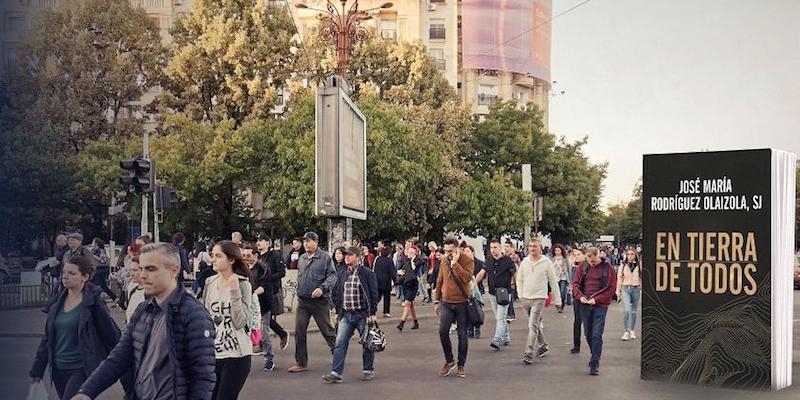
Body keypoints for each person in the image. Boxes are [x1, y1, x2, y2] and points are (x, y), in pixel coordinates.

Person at [30, 256, 130, 400]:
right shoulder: (57, 303)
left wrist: (123, 364)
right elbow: (47, 338)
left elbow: (111, 334)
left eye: (71, 273)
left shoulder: (93, 304)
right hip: (59, 369)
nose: (65, 276)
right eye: (64, 272)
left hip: (82, 367)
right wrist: (37, 370)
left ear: (85, 277)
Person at [203, 240, 253, 400]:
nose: (214, 259)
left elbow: (240, 322)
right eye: (213, 256)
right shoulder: (209, 283)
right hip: (212, 354)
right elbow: (205, 315)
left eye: (218, 256)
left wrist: (234, 291)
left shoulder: (243, 284)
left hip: (236, 355)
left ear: (231, 259)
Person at [324, 246, 380, 383]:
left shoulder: (366, 273)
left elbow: (374, 293)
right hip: (346, 315)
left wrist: (372, 313)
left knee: (367, 343)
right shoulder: (342, 273)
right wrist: (338, 312)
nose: (346, 257)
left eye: (350, 255)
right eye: (345, 255)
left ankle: (368, 370)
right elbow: (338, 293)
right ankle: (336, 372)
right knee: (339, 343)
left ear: (358, 257)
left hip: (362, 314)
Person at [288, 231, 337, 373]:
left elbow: (332, 276)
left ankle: (338, 353)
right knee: (299, 331)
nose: (306, 244)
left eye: (309, 241)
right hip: (303, 301)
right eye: (305, 241)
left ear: (316, 242)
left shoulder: (325, 258)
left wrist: (322, 288)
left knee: (327, 331)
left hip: (319, 302)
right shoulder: (302, 258)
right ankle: (301, 362)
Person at [572, 246, 617, 375]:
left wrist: (596, 300)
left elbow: (610, 289)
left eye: (594, 260)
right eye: (589, 260)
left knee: (597, 334)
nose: (591, 263)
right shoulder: (582, 266)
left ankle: (594, 363)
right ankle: (595, 354)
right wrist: (580, 297)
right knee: (588, 333)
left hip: (600, 305)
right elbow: (575, 284)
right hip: (585, 303)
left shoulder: (608, 269)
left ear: (599, 255)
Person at [434, 236, 474, 379]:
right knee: (443, 331)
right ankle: (449, 360)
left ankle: (461, 364)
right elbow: (440, 280)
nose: (448, 253)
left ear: (457, 249)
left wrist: (456, 264)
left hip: (462, 303)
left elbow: (467, 278)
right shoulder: (444, 260)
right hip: (446, 302)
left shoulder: (467, 260)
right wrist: (436, 301)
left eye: (451, 251)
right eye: (446, 251)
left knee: (462, 335)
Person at [516, 240, 562, 365]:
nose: (532, 248)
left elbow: (553, 282)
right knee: (534, 324)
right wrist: (520, 294)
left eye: (535, 246)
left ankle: (529, 353)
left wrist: (557, 300)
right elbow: (519, 280)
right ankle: (543, 345)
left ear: (540, 248)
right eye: (530, 246)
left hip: (539, 298)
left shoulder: (546, 263)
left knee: (532, 325)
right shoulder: (525, 262)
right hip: (526, 297)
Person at [255, 236, 289, 371]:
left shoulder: (274, 255)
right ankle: (277, 335)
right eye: (257, 241)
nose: (258, 243)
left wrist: (267, 278)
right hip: (258, 291)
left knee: (265, 318)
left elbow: (281, 272)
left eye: (261, 241)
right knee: (262, 319)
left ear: (267, 243)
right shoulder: (256, 256)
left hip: (272, 290)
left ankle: (278, 336)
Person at [485, 239, 515, 350]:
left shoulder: (508, 261)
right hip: (493, 293)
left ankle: (497, 339)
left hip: (504, 293)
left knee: (501, 317)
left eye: (495, 247)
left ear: (500, 248)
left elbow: (514, 273)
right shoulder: (489, 260)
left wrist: (517, 286)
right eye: (491, 247)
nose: (493, 250)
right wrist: (473, 283)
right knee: (499, 317)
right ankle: (506, 337)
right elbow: (483, 273)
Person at [616, 248, 641, 341]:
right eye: (629, 254)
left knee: (634, 311)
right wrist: (618, 291)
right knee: (627, 310)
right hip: (625, 287)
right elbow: (619, 278)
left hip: (636, 288)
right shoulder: (623, 265)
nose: (630, 256)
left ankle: (632, 330)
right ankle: (626, 331)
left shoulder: (639, 265)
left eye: (632, 254)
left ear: (635, 255)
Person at [396, 246, 422, 331]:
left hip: (413, 285)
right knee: (411, 305)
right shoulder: (407, 262)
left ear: (414, 253)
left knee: (407, 303)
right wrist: (399, 272)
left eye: (411, 252)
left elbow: (416, 266)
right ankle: (415, 322)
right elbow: (403, 271)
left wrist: (413, 257)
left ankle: (402, 323)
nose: (408, 253)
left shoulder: (417, 260)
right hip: (406, 285)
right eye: (408, 252)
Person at [462, 245, 484, 339]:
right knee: (467, 310)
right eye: (464, 251)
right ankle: (469, 329)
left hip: (477, 289)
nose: (465, 253)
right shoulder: (462, 263)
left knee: (476, 309)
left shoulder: (479, 263)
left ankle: (477, 327)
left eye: (467, 251)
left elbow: (482, 276)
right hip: (466, 290)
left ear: (472, 252)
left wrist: (474, 282)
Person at [569, 247, 586, 354]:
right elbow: (573, 282)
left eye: (579, 254)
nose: (576, 256)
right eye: (575, 255)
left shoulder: (588, 266)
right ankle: (576, 345)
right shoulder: (575, 267)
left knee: (588, 322)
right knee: (577, 321)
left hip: (588, 296)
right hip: (577, 297)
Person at [90, 238, 116, 303]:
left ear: (96, 243)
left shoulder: (101, 251)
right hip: (95, 270)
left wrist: (93, 256)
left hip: (101, 270)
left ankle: (114, 297)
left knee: (103, 286)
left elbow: (103, 260)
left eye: (93, 242)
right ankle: (97, 299)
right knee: (92, 285)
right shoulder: (93, 250)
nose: (92, 244)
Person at [373, 245, 396, 318]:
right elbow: (392, 272)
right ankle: (386, 311)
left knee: (377, 297)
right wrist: (396, 281)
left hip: (378, 280)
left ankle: (372, 310)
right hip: (386, 281)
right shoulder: (389, 260)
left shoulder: (378, 259)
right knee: (387, 297)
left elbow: (375, 270)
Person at [551, 244, 570, 311]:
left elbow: (568, 268)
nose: (557, 252)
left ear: (561, 251)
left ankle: (561, 305)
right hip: (555, 277)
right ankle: (558, 304)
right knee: (557, 292)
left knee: (562, 292)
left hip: (563, 277)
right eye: (556, 250)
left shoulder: (564, 258)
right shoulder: (552, 259)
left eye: (558, 250)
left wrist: (569, 279)